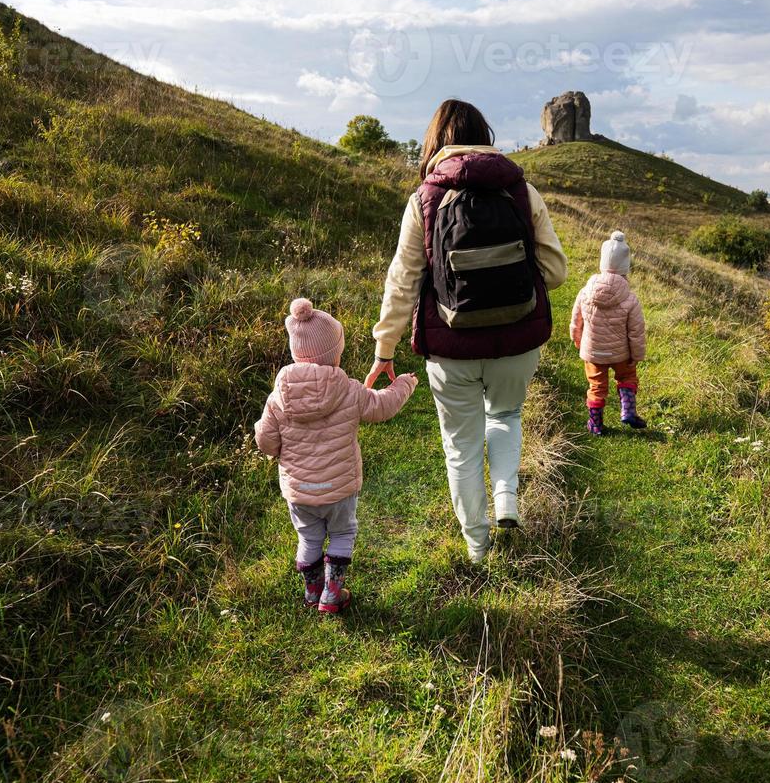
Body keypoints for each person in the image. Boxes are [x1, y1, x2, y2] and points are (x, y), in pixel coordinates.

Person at [366, 100, 568, 563]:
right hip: (517, 341)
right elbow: (556, 272)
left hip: (450, 348)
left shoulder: (425, 199)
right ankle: (506, 499)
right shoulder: (521, 191)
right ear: (485, 134)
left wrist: (385, 348)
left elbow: (403, 280)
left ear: (436, 141)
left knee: (460, 446)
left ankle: (477, 548)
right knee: (507, 416)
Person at [256, 298, 417, 614]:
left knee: (308, 538)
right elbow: (382, 406)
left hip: (299, 492)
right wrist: (404, 385)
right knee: (343, 533)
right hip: (340, 489)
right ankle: (332, 595)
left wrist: (280, 452)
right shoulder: (347, 389)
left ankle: (312, 591)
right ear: (333, 353)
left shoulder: (279, 396)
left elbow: (265, 440)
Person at [570, 231, 646, 435]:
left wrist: (577, 340)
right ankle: (628, 410)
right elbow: (636, 332)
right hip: (621, 353)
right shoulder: (630, 299)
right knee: (627, 376)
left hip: (593, 352)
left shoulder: (585, 292)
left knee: (596, 386)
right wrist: (636, 356)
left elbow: (576, 322)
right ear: (625, 269)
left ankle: (595, 424)